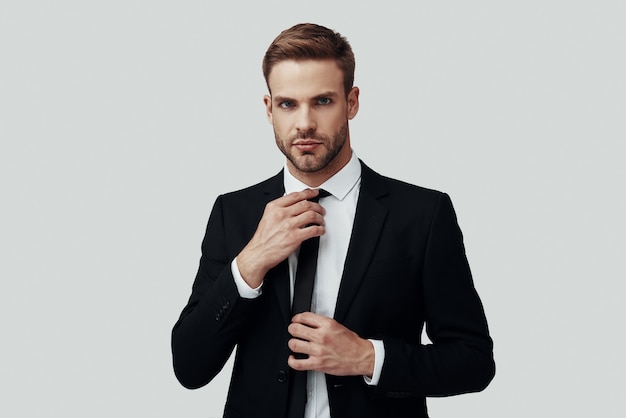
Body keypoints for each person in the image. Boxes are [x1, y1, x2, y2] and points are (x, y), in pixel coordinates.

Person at [171, 23, 495, 418]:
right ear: (269, 108)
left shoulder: (422, 214)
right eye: (288, 104)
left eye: (322, 101)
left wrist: (368, 357)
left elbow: (474, 361)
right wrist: (251, 261)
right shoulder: (233, 213)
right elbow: (189, 367)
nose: (304, 123)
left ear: (352, 102)